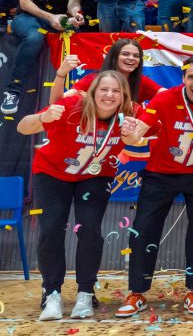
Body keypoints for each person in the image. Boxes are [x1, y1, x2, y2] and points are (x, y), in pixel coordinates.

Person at [116, 55, 193, 318]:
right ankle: (137, 292)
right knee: (144, 230)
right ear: (183, 79)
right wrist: (130, 133)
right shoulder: (165, 99)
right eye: (190, 77)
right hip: (161, 173)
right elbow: (137, 134)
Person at [19, 70, 137, 320]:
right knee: (51, 229)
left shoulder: (129, 114)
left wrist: (134, 134)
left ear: (123, 95)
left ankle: (85, 292)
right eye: (104, 89)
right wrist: (44, 116)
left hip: (95, 176)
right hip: (52, 174)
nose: (109, 95)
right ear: (93, 92)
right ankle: (51, 293)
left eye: (116, 91)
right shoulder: (72, 106)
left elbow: (141, 139)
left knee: (90, 230)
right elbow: (22, 127)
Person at [0, 0, 84, 116]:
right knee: (35, 36)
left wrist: (76, 14)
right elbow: (25, 1)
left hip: (56, 20)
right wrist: (51, 17)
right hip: (27, 17)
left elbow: (73, 2)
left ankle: (76, 93)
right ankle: (12, 91)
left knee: (78, 34)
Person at [50, 38, 163, 106]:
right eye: (125, 54)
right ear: (114, 57)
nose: (131, 58)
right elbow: (57, 102)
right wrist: (61, 74)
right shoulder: (93, 80)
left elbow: (169, 96)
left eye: (136, 56)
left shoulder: (143, 82)